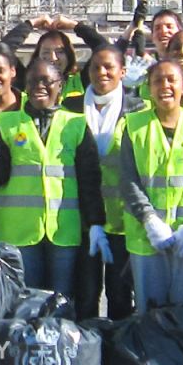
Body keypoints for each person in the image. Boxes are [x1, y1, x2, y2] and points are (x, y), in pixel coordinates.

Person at [0, 58, 104, 299]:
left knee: (61, 299)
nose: (39, 86)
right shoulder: (7, 122)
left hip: (63, 231)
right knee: (26, 300)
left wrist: (95, 224)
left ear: (59, 86)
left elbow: (89, 180)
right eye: (32, 81)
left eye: (46, 81)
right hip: (18, 232)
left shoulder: (76, 124)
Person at [120, 60, 183, 312]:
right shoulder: (133, 126)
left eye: (171, 80)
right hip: (147, 238)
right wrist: (150, 220)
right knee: (150, 314)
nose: (165, 86)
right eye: (158, 81)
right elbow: (128, 179)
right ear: (149, 87)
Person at [67, 45, 147, 321]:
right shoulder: (71, 108)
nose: (102, 72)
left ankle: (118, 355)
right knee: (86, 293)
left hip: (124, 219)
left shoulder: (138, 108)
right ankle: (87, 353)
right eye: (95, 67)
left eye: (109, 67)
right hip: (84, 218)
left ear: (122, 72)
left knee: (121, 293)